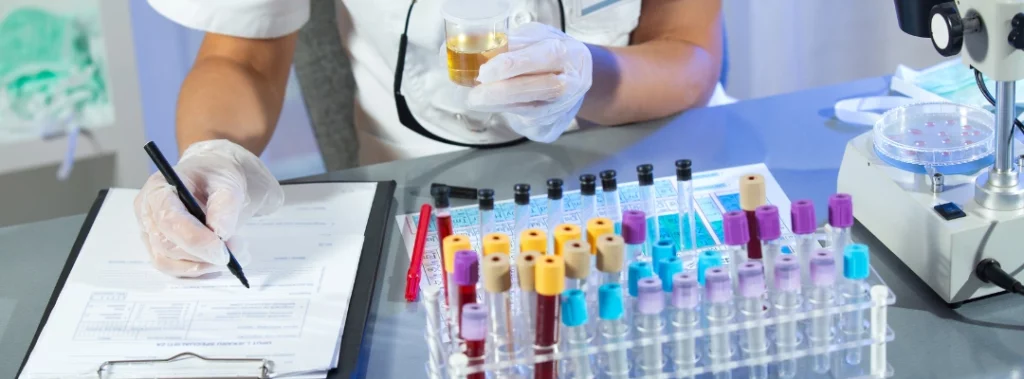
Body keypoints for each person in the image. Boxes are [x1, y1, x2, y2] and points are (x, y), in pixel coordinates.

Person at [135, 0, 726, 277]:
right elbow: (242, 62)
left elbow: (689, 49)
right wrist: (211, 156)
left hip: (641, 178)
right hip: (425, 202)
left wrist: (591, 76)